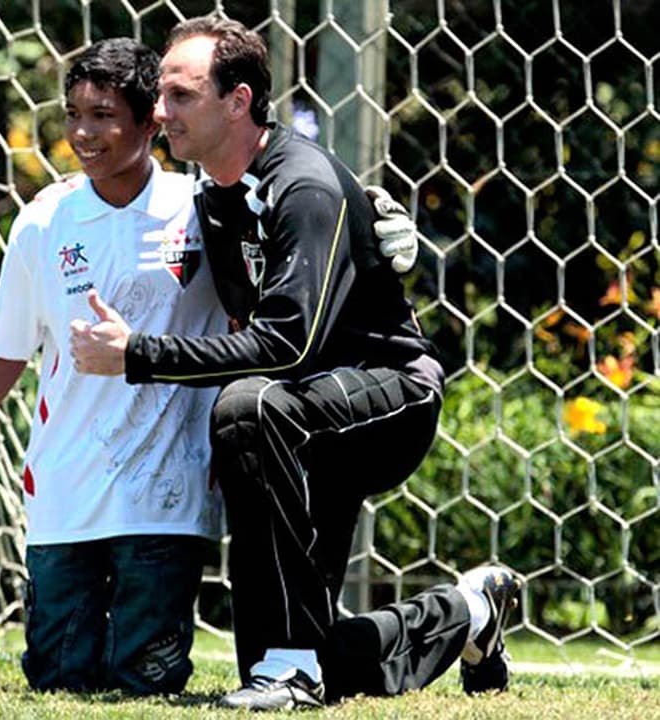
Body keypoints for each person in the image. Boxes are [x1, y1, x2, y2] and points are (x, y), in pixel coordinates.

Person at [0, 35, 416, 696]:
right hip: (66, 490)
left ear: (149, 123)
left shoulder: (201, 211)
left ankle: (304, 655)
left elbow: (293, 209)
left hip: (165, 495)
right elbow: (6, 346)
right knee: (59, 678)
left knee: (143, 682)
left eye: (103, 116)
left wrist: (371, 216)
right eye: (74, 115)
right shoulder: (43, 221)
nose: (83, 134)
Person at [69, 17, 521, 710]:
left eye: (181, 95)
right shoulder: (212, 195)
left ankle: (290, 664)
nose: (161, 112)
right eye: (160, 95)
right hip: (300, 419)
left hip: (386, 397)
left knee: (246, 406)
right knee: (320, 659)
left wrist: (137, 356)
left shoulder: (301, 186)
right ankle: (469, 613)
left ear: (239, 101)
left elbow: (287, 347)